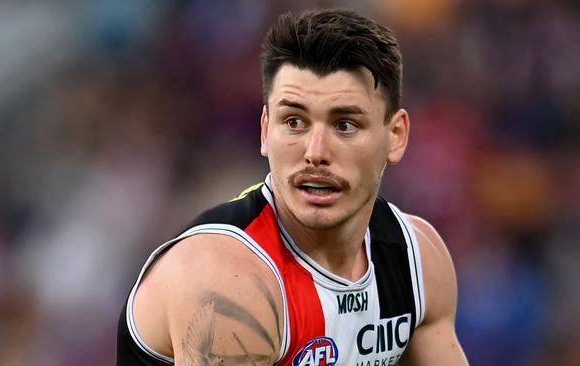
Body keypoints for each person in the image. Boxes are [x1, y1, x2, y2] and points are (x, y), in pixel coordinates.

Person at [117, 8, 468, 366]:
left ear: (395, 136)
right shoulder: (226, 282)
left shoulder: (416, 261)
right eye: (294, 121)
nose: (315, 153)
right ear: (265, 131)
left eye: (345, 125)